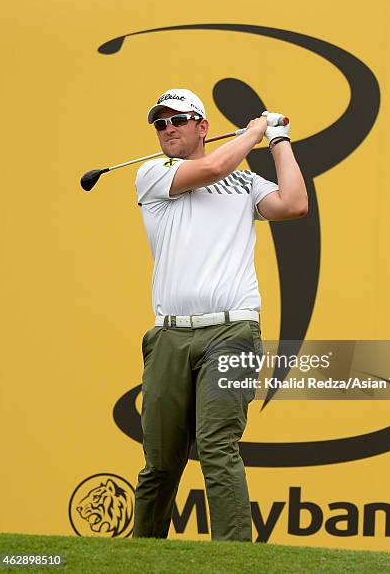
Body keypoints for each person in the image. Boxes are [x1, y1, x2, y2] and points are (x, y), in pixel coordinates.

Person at [132, 88, 308, 541]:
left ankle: (232, 558)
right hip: (169, 336)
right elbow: (212, 167)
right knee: (161, 459)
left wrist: (280, 140)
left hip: (233, 331)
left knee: (216, 444)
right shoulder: (154, 173)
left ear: (202, 126)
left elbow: (293, 204)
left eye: (178, 120)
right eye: (160, 123)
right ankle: (138, 555)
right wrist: (254, 132)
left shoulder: (245, 183)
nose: (168, 128)